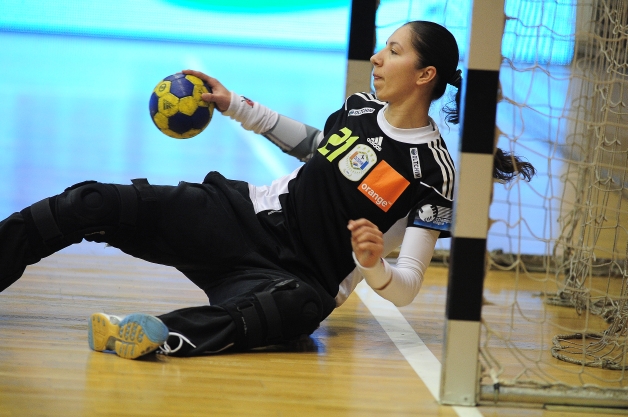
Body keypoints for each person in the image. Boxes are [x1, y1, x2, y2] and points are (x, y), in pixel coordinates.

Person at [0, 21, 535, 360]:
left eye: (392, 51)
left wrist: (373, 264)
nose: (376, 58)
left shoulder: (432, 174)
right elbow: (314, 146)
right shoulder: (357, 109)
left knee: (293, 315)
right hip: (242, 218)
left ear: (425, 75)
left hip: (298, 276)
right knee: (94, 203)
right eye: (381, 49)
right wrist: (235, 104)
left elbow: (409, 285)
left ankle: (148, 334)